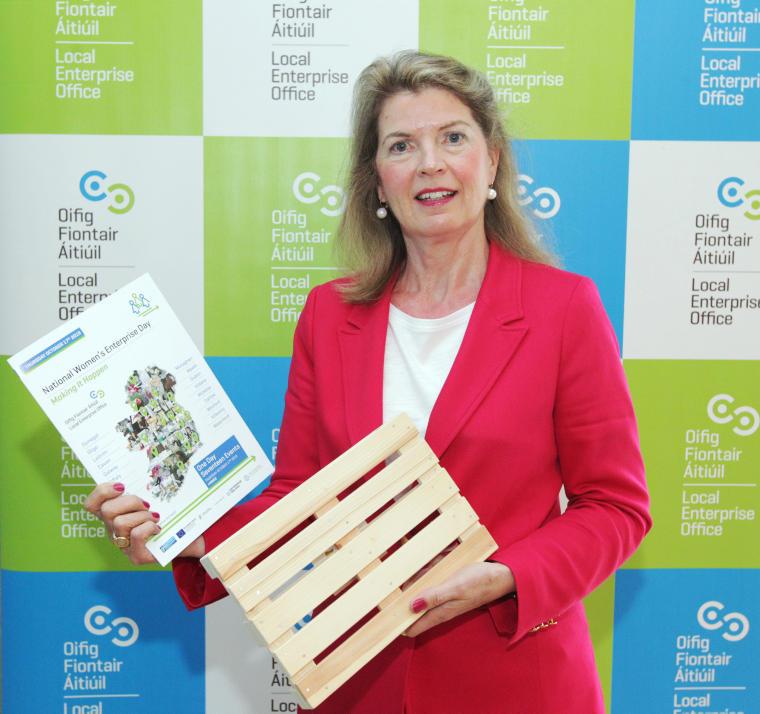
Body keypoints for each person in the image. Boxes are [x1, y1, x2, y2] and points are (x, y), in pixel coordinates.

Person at [85, 51, 651, 713]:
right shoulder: (329, 316)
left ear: (492, 162)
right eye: (401, 146)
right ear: (378, 183)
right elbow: (299, 500)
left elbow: (615, 506)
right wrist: (187, 534)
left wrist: (506, 577)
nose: (430, 163)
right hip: (358, 682)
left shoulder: (564, 309)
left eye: (453, 138)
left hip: (516, 679)